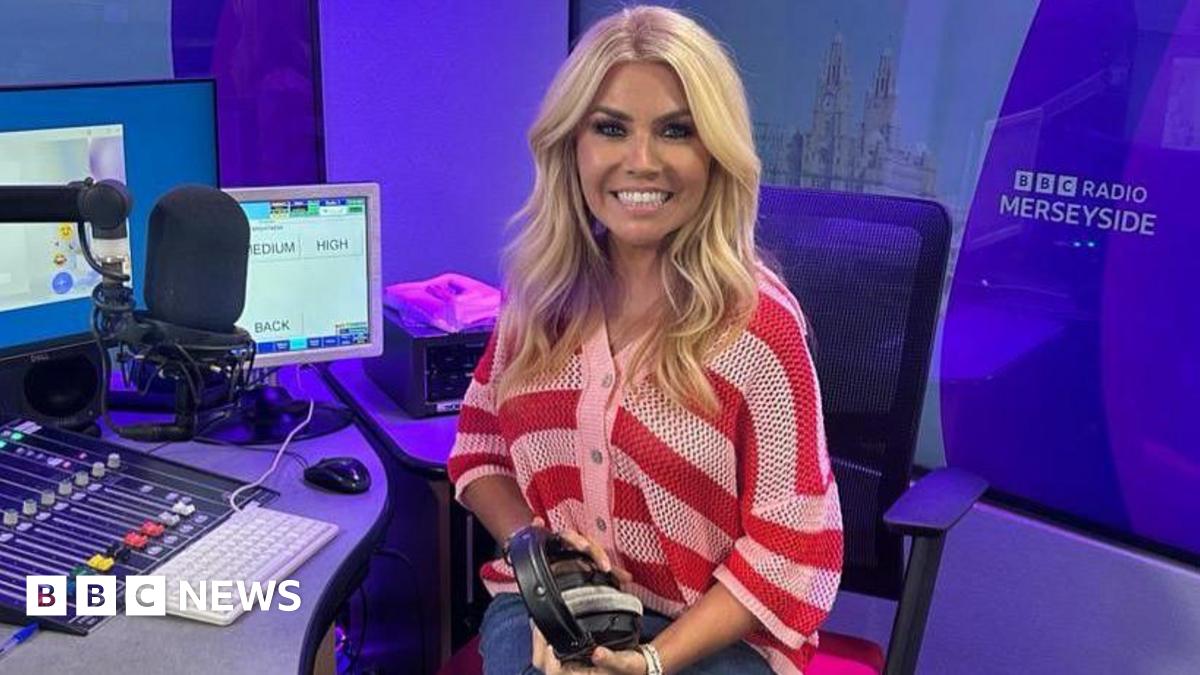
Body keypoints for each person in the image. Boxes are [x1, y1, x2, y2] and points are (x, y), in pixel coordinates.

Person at [447, 6, 843, 674]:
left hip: (710, 627)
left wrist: (653, 660)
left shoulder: (759, 328)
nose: (641, 161)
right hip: (557, 602)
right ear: (572, 144)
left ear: (714, 152)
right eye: (610, 128)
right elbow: (479, 448)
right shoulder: (539, 300)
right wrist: (541, 552)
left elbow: (791, 546)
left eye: (676, 131)